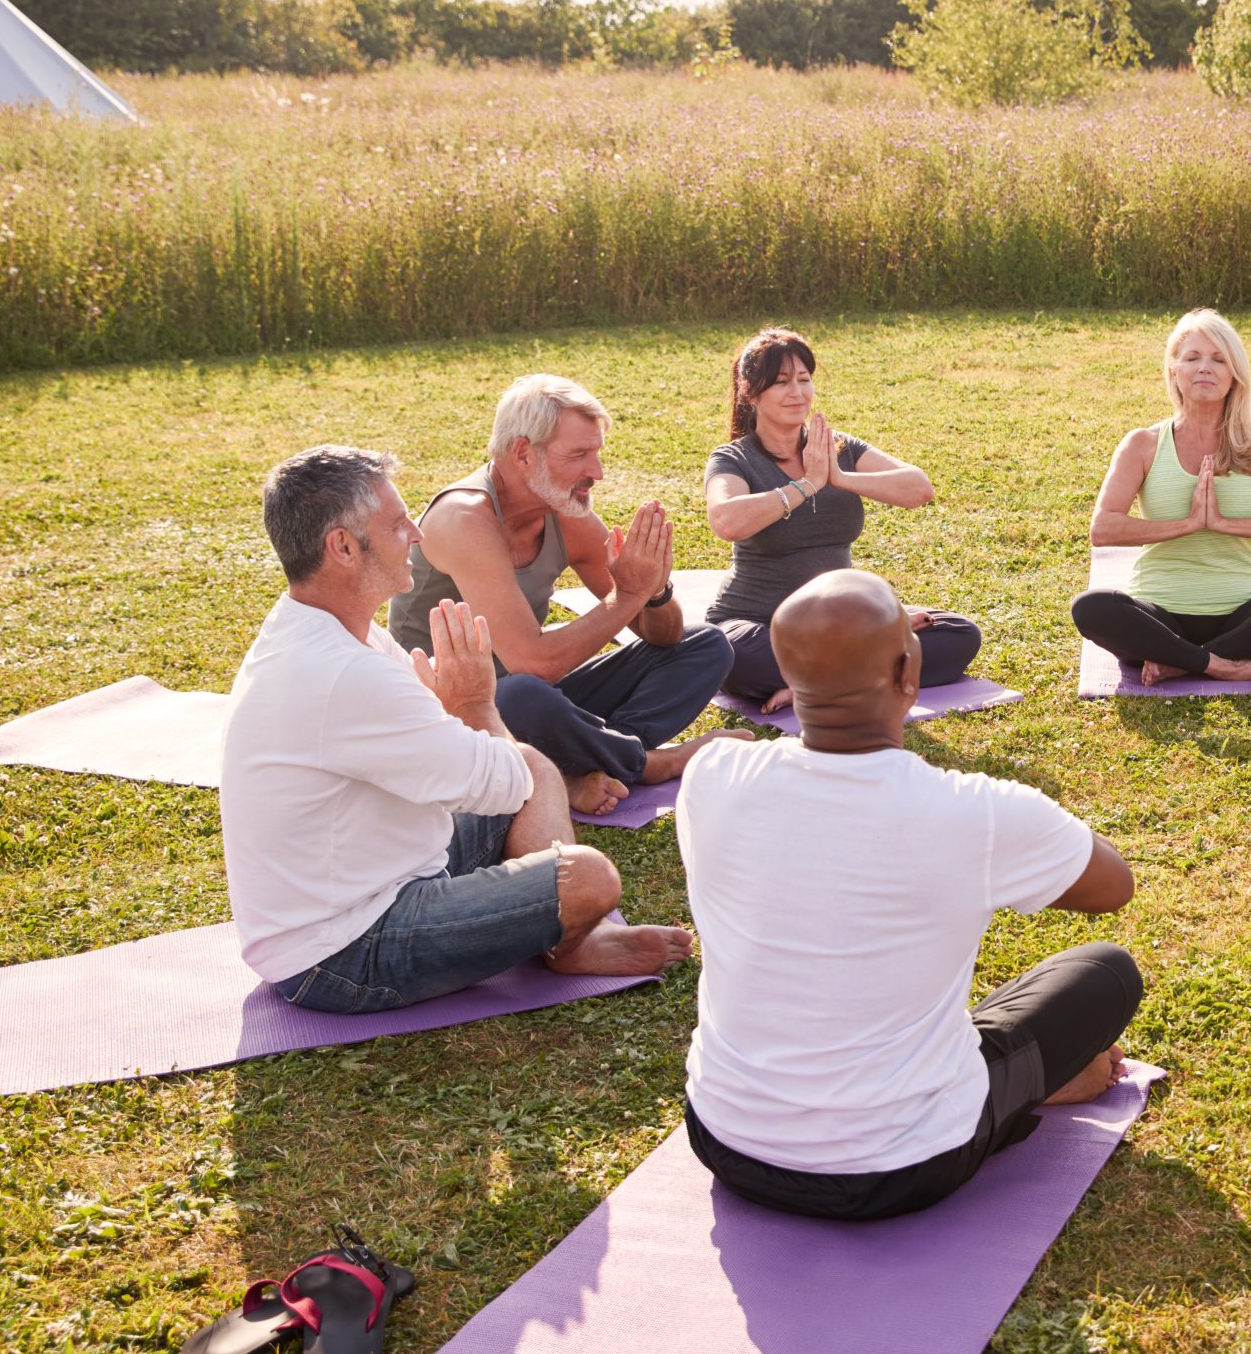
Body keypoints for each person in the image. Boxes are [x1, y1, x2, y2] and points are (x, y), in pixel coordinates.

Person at [676, 569, 1144, 1221]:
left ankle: (998, 1075)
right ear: (908, 673)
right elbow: (1111, 884)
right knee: (1104, 973)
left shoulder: (713, 774)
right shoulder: (972, 811)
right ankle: (1032, 1083)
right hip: (902, 1164)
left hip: (725, 1138)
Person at [223, 446, 692, 1013]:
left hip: (382, 873)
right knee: (587, 877)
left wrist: (459, 716)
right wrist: (474, 705)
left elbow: (480, 761)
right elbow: (502, 780)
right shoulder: (340, 671)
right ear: (343, 547)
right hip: (340, 953)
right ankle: (566, 939)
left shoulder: (323, 626)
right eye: (398, 524)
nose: (417, 536)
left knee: (537, 765)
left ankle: (563, 935)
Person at [389, 374, 747, 817]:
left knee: (707, 645)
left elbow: (665, 638)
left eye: (596, 453)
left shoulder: (562, 508)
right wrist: (627, 595)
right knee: (521, 693)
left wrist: (654, 592)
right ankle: (648, 763)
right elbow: (533, 661)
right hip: (452, 716)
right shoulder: (464, 519)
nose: (596, 472)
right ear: (523, 453)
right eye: (578, 455)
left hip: (536, 704)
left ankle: (592, 760)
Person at [702, 327, 981, 711]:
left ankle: (816, 684)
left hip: (838, 624)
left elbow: (919, 488)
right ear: (751, 392)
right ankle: (859, 671)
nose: (797, 393)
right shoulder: (734, 459)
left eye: (804, 379)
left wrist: (840, 478)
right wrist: (806, 485)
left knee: (959, 635)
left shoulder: (837, 449)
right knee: (731, 655)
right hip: (756, 623)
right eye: (782, 382)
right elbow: (726, 520)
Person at [1070, 309, 1251, 685]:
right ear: (1173, 370)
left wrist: (1222, 524)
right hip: (1159, 614)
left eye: (1219, 359)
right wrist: (1186, 525)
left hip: (1244, 613)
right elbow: (1103, 529)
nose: (1205, 368)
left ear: (1234, 375)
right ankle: (1228, 665)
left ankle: (1181, 663)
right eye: (1193, 357)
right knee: (1092, 607)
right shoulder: (1143, 444)